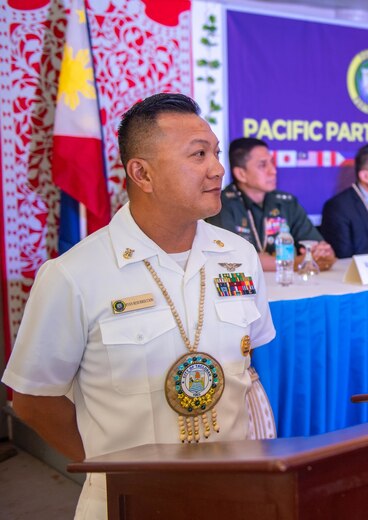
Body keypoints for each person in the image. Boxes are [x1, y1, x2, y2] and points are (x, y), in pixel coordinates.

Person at [1, 93, 276, 519]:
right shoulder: (74, 273)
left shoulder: (238, 256)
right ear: (141, 173)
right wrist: (113, 470)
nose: (217, 168)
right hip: (129, 503)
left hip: (232, 495)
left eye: (216, 153)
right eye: (198, 154)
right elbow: (33, 400)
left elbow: (247, 370)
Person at [207, 138, 336, 271]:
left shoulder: (286, 202)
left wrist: (324, 253)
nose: (273, 171)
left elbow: (319, 246)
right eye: (263, 165)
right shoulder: (221, 204)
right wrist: (296, 262)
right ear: (241, 174)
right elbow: (231, 258)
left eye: (272, 163)